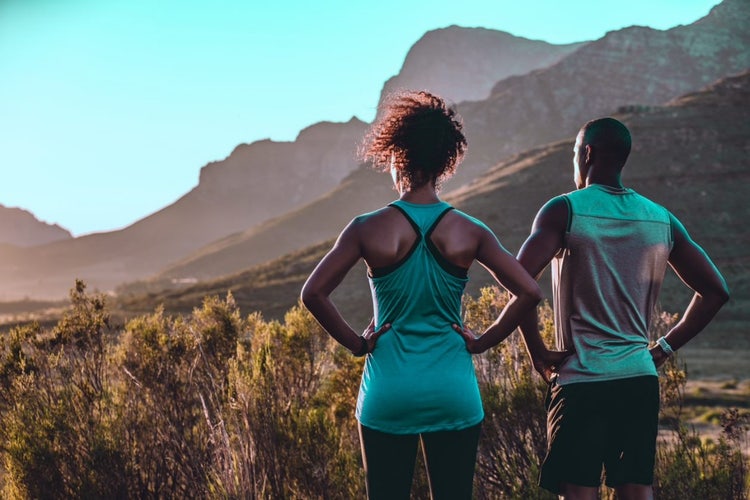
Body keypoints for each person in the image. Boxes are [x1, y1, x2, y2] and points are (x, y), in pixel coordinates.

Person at [301, 90, 544, 499]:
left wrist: (358, 344)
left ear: (396, 156)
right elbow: (530, 292)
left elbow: (313, 294)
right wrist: (482, 341)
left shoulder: (365, 228)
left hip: (388, 391)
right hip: (452, 390)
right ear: (444, 163)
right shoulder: (471, 230)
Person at [516, 117, 730, 499]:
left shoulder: (563, 210)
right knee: (636, 490)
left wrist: (538, 352)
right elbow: (716, 291)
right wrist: (663, 348)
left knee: (578, 492)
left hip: (582, 380)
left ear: (587, 154)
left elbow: (520, 282)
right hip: (638, 380)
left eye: (574, 153)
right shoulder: (661, 218)